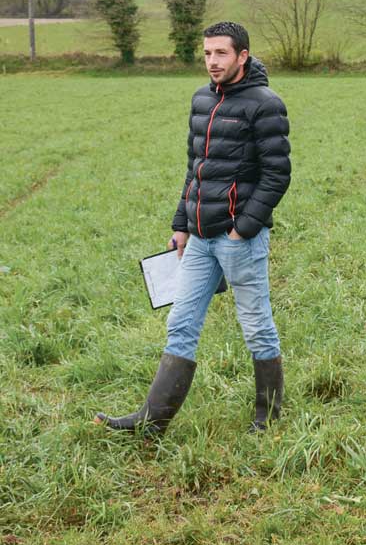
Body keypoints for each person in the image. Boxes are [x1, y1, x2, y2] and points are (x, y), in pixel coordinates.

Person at [96, 22, 292, 435]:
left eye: (221, 54)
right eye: (206, 54)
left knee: (256, 324)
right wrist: (181, 224)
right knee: (181, 322)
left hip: (239, 239)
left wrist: (244, 228)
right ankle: (152, 421)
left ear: (242, 56)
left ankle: (268, 415)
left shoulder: (265, 103)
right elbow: (195, 170)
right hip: (199, 239)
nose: (212, 62)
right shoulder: (202, 99)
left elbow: (278, 174)